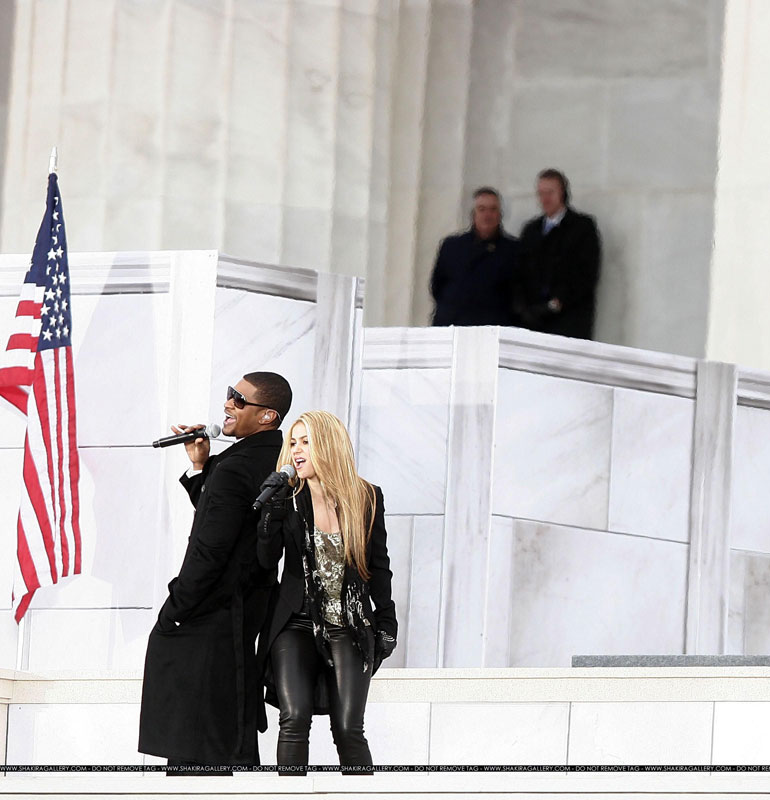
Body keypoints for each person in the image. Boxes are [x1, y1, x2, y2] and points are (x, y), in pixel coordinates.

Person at [139, 372, 293, 767]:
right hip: (246, 611)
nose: (227, 404)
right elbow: (231, 522)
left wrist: (175, 609)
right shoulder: (272, 461)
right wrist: (200, 466)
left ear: (267, 416)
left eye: (239, 400)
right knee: (231, 734)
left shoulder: (235, 467)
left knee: (196, 749)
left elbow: (211, 547)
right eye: (229, 395)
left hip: (209, 616)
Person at [257, 410, 396, 770]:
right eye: (293, 443)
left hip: (349, 622)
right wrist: (269, 515)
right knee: (294, 717)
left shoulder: (367, 497)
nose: (296, 451)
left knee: (349, 728)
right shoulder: (287, 498)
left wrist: (387, 622)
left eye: (306, 442)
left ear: (328, 446)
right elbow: (265, 558)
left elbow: (379, 567)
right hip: (296, 621)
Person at [514, 168, 602, 339]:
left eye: (550, 192)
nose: (545, 198)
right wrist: (523, 308)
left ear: (563, 193)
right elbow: (519, 272)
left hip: (569, 321)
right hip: (534, 321)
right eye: (541, 193)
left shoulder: (582, 227)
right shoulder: (531, 230)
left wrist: (559, 302)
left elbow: (587, 271)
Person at [430, 187, 519, 327]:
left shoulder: (513, 250)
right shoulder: (452, 246)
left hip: (492, 328)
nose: (487, 215)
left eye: (493, 209)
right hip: (453, 324)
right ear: (473, 214)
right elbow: (437, 286)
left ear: (500, 214)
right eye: (482, 209)